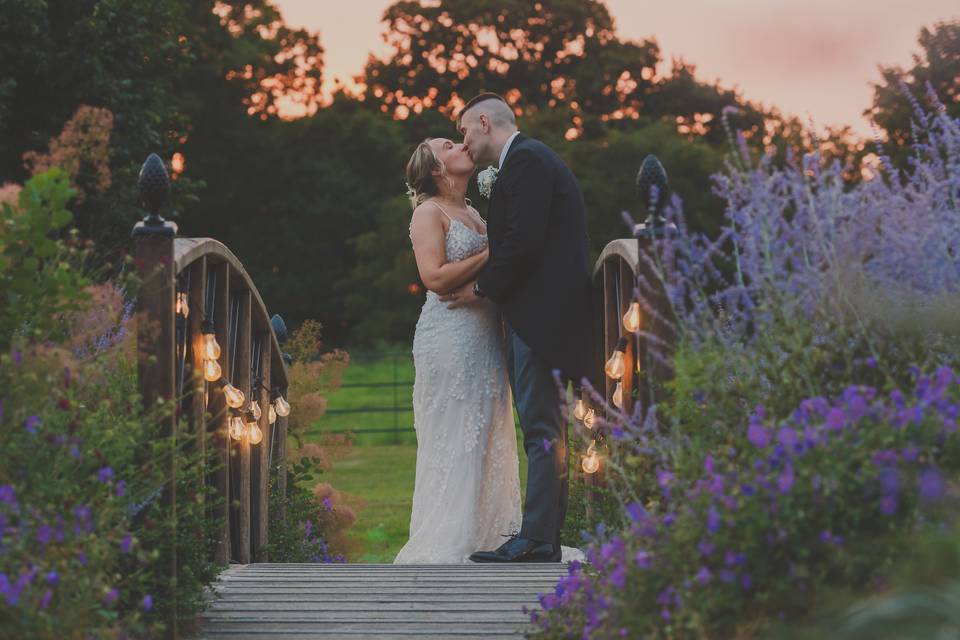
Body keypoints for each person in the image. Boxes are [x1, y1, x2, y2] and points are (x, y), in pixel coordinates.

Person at [444, 93, 593, 563]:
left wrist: (482, 291)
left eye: (465, 130)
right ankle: (543, 535)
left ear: (484, 122)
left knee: (540, 427)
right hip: (538, 312)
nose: (464, 141)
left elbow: (523, 243)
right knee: (545, 426)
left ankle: (536, 539)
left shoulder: (526, 160)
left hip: (541, 315)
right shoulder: (527, 159)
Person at [393, 137, 522, 563]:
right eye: (449, 144)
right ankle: (449, 537)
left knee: (486, 430)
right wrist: (491, 251)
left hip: (485, 336)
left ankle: (489, 534)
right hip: (449, 336)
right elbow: (433, 276)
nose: (462, 144)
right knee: (454, 431)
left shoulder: (472, 212)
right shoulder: (428, 213)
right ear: (435, 167)